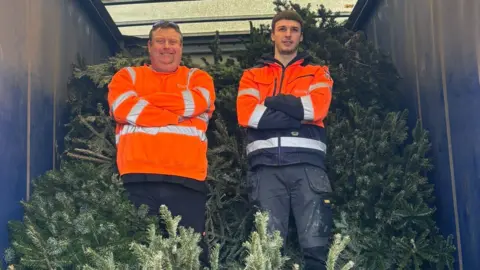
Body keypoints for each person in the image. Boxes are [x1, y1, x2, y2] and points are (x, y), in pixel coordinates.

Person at [107, 20, 215, 266]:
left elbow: (198, 103)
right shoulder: (127, 76)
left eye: (173, 42)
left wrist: (147, 104)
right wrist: (177, 114)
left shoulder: (198, 78)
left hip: (187, 182)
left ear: (181, 47)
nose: (167, 47)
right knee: (137, 259)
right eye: (160, 41)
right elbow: (123, 108)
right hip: (137, 181)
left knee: (191, 260)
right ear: (149, 46)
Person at [236, 10, 334, 270]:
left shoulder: (318, 72)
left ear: (300, 36)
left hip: (307, 166)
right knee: (268, 252)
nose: (288, 34)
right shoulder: (252, 75)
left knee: (316, 247)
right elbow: (247, 115)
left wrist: (271, 102)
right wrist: (295, 115)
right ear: (272, 35)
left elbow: (317, 109)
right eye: (282, 29)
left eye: (293, 29)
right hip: (266, 167)